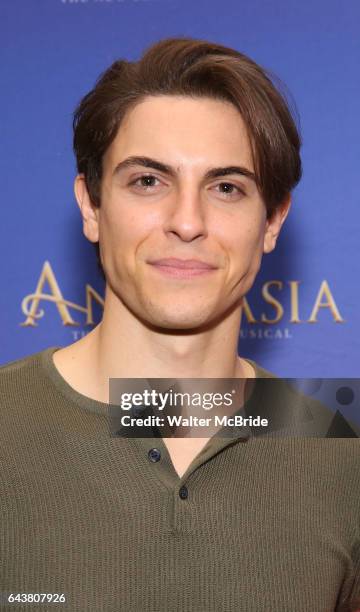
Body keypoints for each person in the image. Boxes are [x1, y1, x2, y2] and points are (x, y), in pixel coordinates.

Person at [1, 37, 359, 612]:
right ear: (92, 206)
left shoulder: (342, 458)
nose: (187, 222)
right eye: (148, 181)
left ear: (272, 221)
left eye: (226, 188)